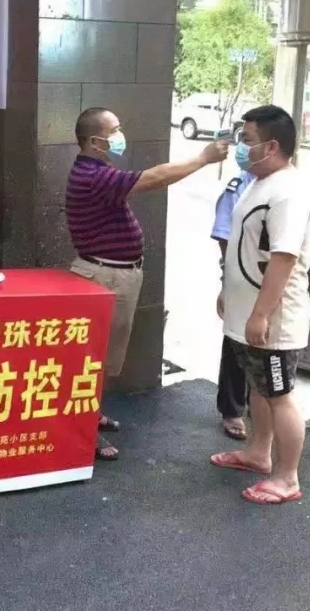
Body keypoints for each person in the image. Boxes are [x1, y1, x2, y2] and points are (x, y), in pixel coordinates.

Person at [66, 107, 228, 460]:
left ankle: (90, 413)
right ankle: (83, 429)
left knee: (103, 359)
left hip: (113, 275)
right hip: (105, 277)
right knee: (94, 361)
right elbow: (153, 178)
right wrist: (202, 158)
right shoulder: (93, 176)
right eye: (114, 130)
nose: (120, 135)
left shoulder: (98, 171)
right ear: (95, 141)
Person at [211, 105, 310, 505]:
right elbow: (244, 247)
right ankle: (258, 453)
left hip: (274, 320)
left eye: (247, 139)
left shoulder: (288, 191)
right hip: (248, 313)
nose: (241, 146)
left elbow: (283, 258)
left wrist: (261, 314)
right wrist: (228, 289)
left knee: (279, 394)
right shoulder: (259, 183)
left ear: (271, 146)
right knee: (260, 387)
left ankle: (287, 478)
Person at [211, 168, 255, 440]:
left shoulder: (285, 182)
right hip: (242, 277)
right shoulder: (240, 185)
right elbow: (224, 236)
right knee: (237, 342)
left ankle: (257, 405)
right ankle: (233, 408)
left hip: (272, 278)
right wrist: (227, 282)